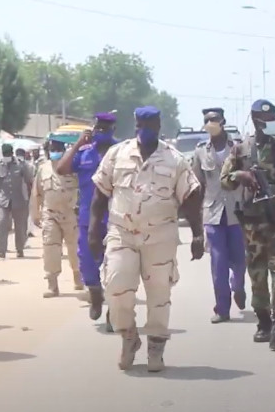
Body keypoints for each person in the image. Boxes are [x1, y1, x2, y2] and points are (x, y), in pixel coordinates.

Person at [89, 106, 204, 372]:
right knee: (116, 288)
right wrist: (93, 231)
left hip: (160, 237)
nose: (145, 129)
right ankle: (129, 337)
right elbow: (99, 197)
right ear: (135, 124)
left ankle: (156, 346)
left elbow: (190, 198)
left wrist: (198, 233)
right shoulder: (117, 155)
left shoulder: (174, 159)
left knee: (159, 295)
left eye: (151, 123)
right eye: (141, 123)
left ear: (159, 124)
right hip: (122, 233)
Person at [221, 99, 275, 352]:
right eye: (267, 120)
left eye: (273, 119)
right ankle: (264, 323)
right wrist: (241, 176)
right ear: (256, 120)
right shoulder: (240, 150)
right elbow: (225, 180)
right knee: (257, 274)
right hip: (252, 224)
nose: (271, 123)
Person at [57, 112, 118, 328]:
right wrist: (76, 144)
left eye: (105, 129)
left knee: (116, 267)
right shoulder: (84, 153)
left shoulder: (120, 152)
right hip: (87, 219)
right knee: (87, 265)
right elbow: (61, 169)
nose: (101, 132)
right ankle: (95, 295)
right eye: (98, 128)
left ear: (113, 131)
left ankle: (115, 311)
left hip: (115, 219)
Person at [191, 108, 246, 324]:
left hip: (237, 211)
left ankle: (238, 286)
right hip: (213, 213)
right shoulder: (200, 151)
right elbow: (198, 185)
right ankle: (222, 308)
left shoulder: (238, 148)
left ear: (222, 121)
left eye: (214, 119)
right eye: (207, 120)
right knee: (218, 262)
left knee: (240, 260)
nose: (210, 123)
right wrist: (196, 218)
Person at [30, 136, 83, 298]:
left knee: (75, 249)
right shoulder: (43, 168)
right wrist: (35, 214)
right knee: (50, 249)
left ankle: (78, 277)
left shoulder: (72, 167)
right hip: (50, 214)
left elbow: (82, 189)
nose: (55, 152)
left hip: (70, 214)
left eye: (58, 149)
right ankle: (52, 285)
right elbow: (36, 192)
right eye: (52, 149)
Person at [0, 143, 32, 258]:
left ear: (12, 153)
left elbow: (28, 181)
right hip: (3, 200)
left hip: (19, 199)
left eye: (8, 154)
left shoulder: (21, 165)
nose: (6, 156)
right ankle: (1, 251)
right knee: (2, 223)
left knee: (19, 226)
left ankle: (19, 249)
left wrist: (29, 198)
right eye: (4, 154)